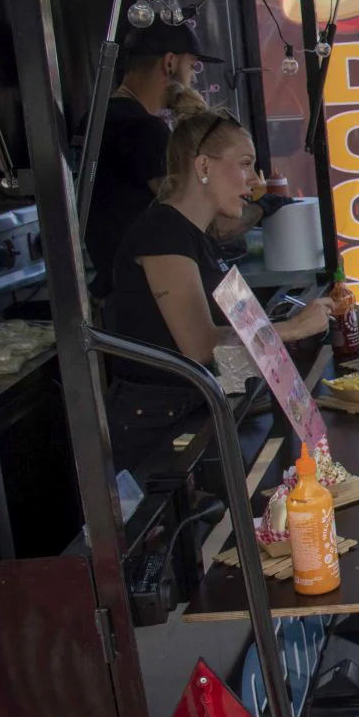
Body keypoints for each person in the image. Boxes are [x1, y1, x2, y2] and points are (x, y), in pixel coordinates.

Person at [101, 107, 330, 474]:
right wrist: (294, 329)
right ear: (203, 167)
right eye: (244, 164)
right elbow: (201, 345)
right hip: (159, 430)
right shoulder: (162, 232)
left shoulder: (198, 237)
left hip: (199, 412)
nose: (254, 183)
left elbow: (234, 336)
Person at [86, 20, 226, 297]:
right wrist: (263, 207)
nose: (193, 78)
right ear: (170, 63)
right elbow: (191, 211)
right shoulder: (144, 129)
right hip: (145, 288)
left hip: (113, 280)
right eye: (192, 66)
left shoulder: (94, 119)